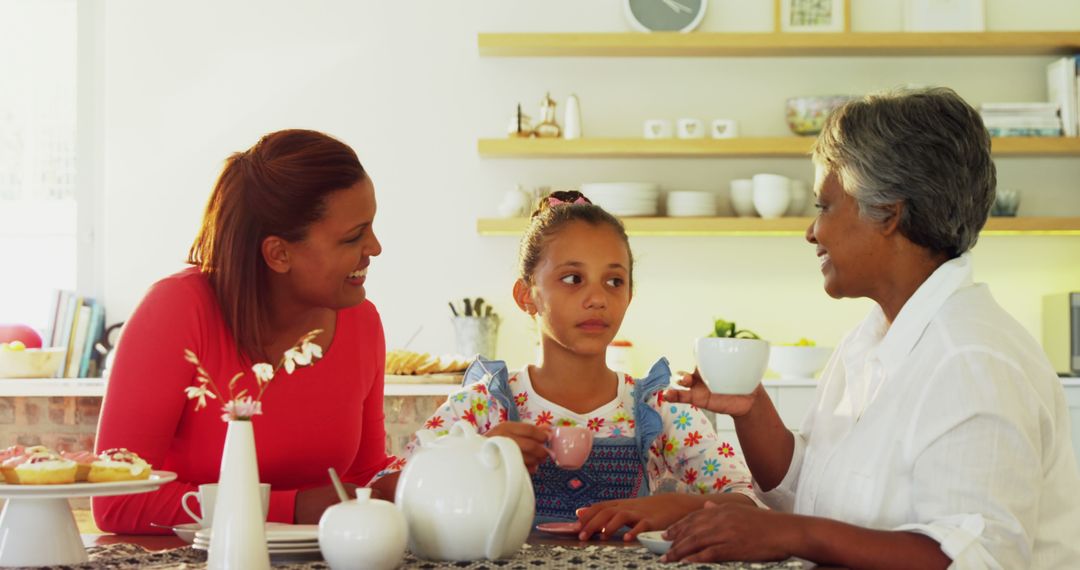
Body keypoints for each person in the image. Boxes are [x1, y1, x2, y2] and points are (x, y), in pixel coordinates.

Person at [663, 87, 1080, 568]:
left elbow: (974, 559)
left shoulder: (971, 360)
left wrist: (791, 533)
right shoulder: (870, 338)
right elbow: (812, 494)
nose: (811, 231)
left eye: (824, 207)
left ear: (889, 213)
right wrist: (751, 410)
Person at [368, 191, 758, 541]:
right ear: (526, 296)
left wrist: (674, 507)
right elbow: (384, 492)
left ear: (629, 295)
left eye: (614, 281)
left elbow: (746, 503)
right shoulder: (483, 407)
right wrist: (477, 461)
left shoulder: (659, 407)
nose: (597, 298)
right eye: (573, 278)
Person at [93, 129, 394, 533]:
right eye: (354, 236)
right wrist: (294, 509)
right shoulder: (177, 313)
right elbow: (116, 501)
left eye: (370, 227)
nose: (374, 247)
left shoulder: (362, 322)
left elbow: (364, 479)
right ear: (279, 253)